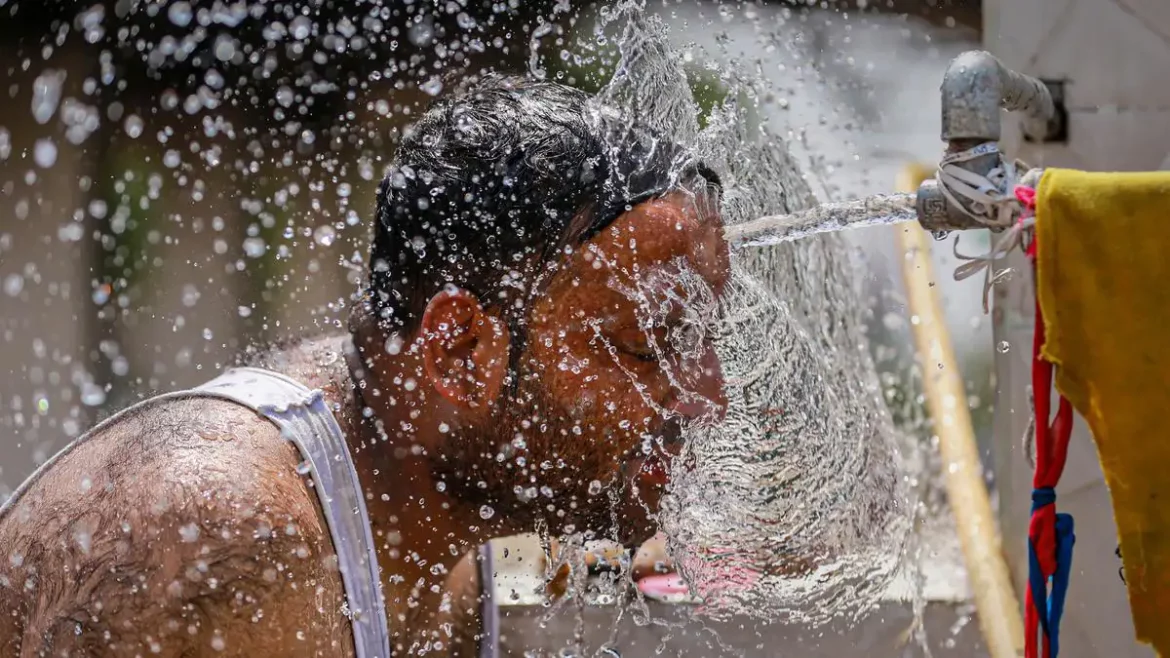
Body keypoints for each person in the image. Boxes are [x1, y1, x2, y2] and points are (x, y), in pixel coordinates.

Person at [0, 74, 729, 657]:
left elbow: (505, 573)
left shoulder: (416, 496)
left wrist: (639, 573)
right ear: (461, 350)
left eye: (704, 342)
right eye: (648, 343)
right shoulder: (235, 549)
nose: (710, 396)